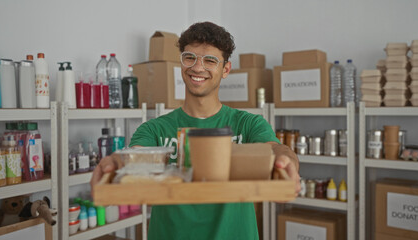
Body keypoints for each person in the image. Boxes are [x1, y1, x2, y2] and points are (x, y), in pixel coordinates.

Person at [91, 21, 300, 240]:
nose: (198, 68)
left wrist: (288, 163)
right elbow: (133, 156)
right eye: (189, 57)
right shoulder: (155, 129)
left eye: (210, 60)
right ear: (181, 63)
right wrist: (113, 162)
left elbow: (276, 149)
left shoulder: (248, 125)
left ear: (225, 69)